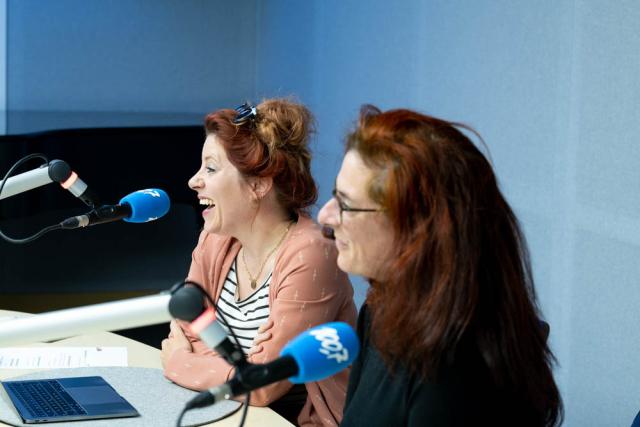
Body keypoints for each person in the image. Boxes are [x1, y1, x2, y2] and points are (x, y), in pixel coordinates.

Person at [316, 105, 563, 426]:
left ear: (415, 228)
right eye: (335, 195)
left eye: (345, 204)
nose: (324, 216)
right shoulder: (382, 309)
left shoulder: (458, 371)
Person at [160, 99, 357, 426]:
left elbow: (264, 385)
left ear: (258, 184)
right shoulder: (215, 239)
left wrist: (180, 362)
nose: (194, 181)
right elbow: (186, 327)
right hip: (226, 411)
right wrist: (241, 370)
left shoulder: (312, 252)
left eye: (210, 168)